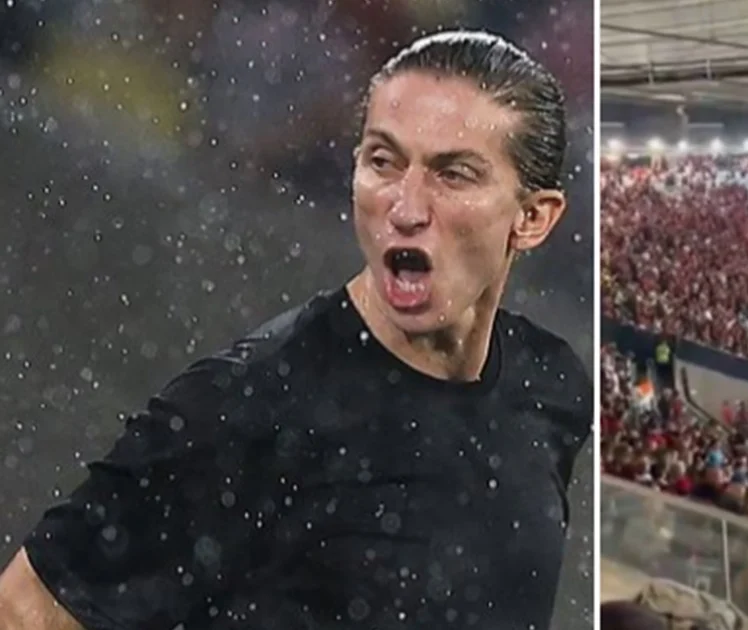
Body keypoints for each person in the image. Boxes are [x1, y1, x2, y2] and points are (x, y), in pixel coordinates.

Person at [0, 30, 591, 630]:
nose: (406, 207)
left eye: (454, 174)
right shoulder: (249, 405)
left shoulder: (551, 386)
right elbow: (24, 612)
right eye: (383, 161)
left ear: (533, 217)